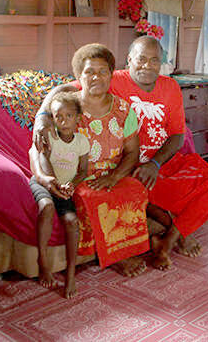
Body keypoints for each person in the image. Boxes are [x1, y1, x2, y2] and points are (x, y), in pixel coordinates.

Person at [34, 36, 208, 270]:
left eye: (154, 60)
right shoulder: (110, 78)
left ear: (161, 63)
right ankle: (174, 239)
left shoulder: (170, 86)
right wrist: (42, 118)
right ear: (129, 61)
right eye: (141, 59)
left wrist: (155, 164)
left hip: (160, 161)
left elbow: (177, 135)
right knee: (136, 192)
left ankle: (167, 241)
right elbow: (64, 89)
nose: (147, 65)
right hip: (130, 164)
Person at [30, 43, 150, 278]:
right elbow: (38, 149)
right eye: (89, 72)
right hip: (77, 175)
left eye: (103, 71)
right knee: (93, 198)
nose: (97, 77)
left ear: (111, 75)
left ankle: (124, 249)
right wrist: (47, 178)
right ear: (78, 76)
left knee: (135, 190)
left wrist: (114, 177)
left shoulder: (124, 110)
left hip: (112, 173)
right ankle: (117, 257)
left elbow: (133, 153)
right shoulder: (65, 107)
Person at [28, 92, 90, 298]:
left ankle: (71, 274)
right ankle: (43, 262)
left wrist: (71, 185)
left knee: (72, 222)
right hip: (44, 183)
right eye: (58, 117)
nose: (63, 121)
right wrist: (51, 180)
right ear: (52, 118)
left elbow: (83, 170)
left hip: (64, 187)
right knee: (46, 206)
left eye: (69, 116)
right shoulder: (49, 135)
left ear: (78, 118)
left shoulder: (81, 141)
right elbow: (40, 157)